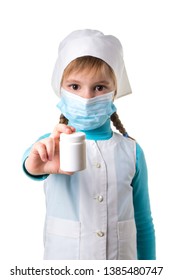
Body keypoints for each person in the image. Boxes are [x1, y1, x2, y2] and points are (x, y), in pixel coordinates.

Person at [22, 29, 156, 260]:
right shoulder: (51, 144)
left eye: (99, 87)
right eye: (75, 86)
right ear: (61, 89)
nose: (87, 97)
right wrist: (34, 167)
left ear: (114, 92)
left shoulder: (131, 151)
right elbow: (31, 165)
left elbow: (143, 221)